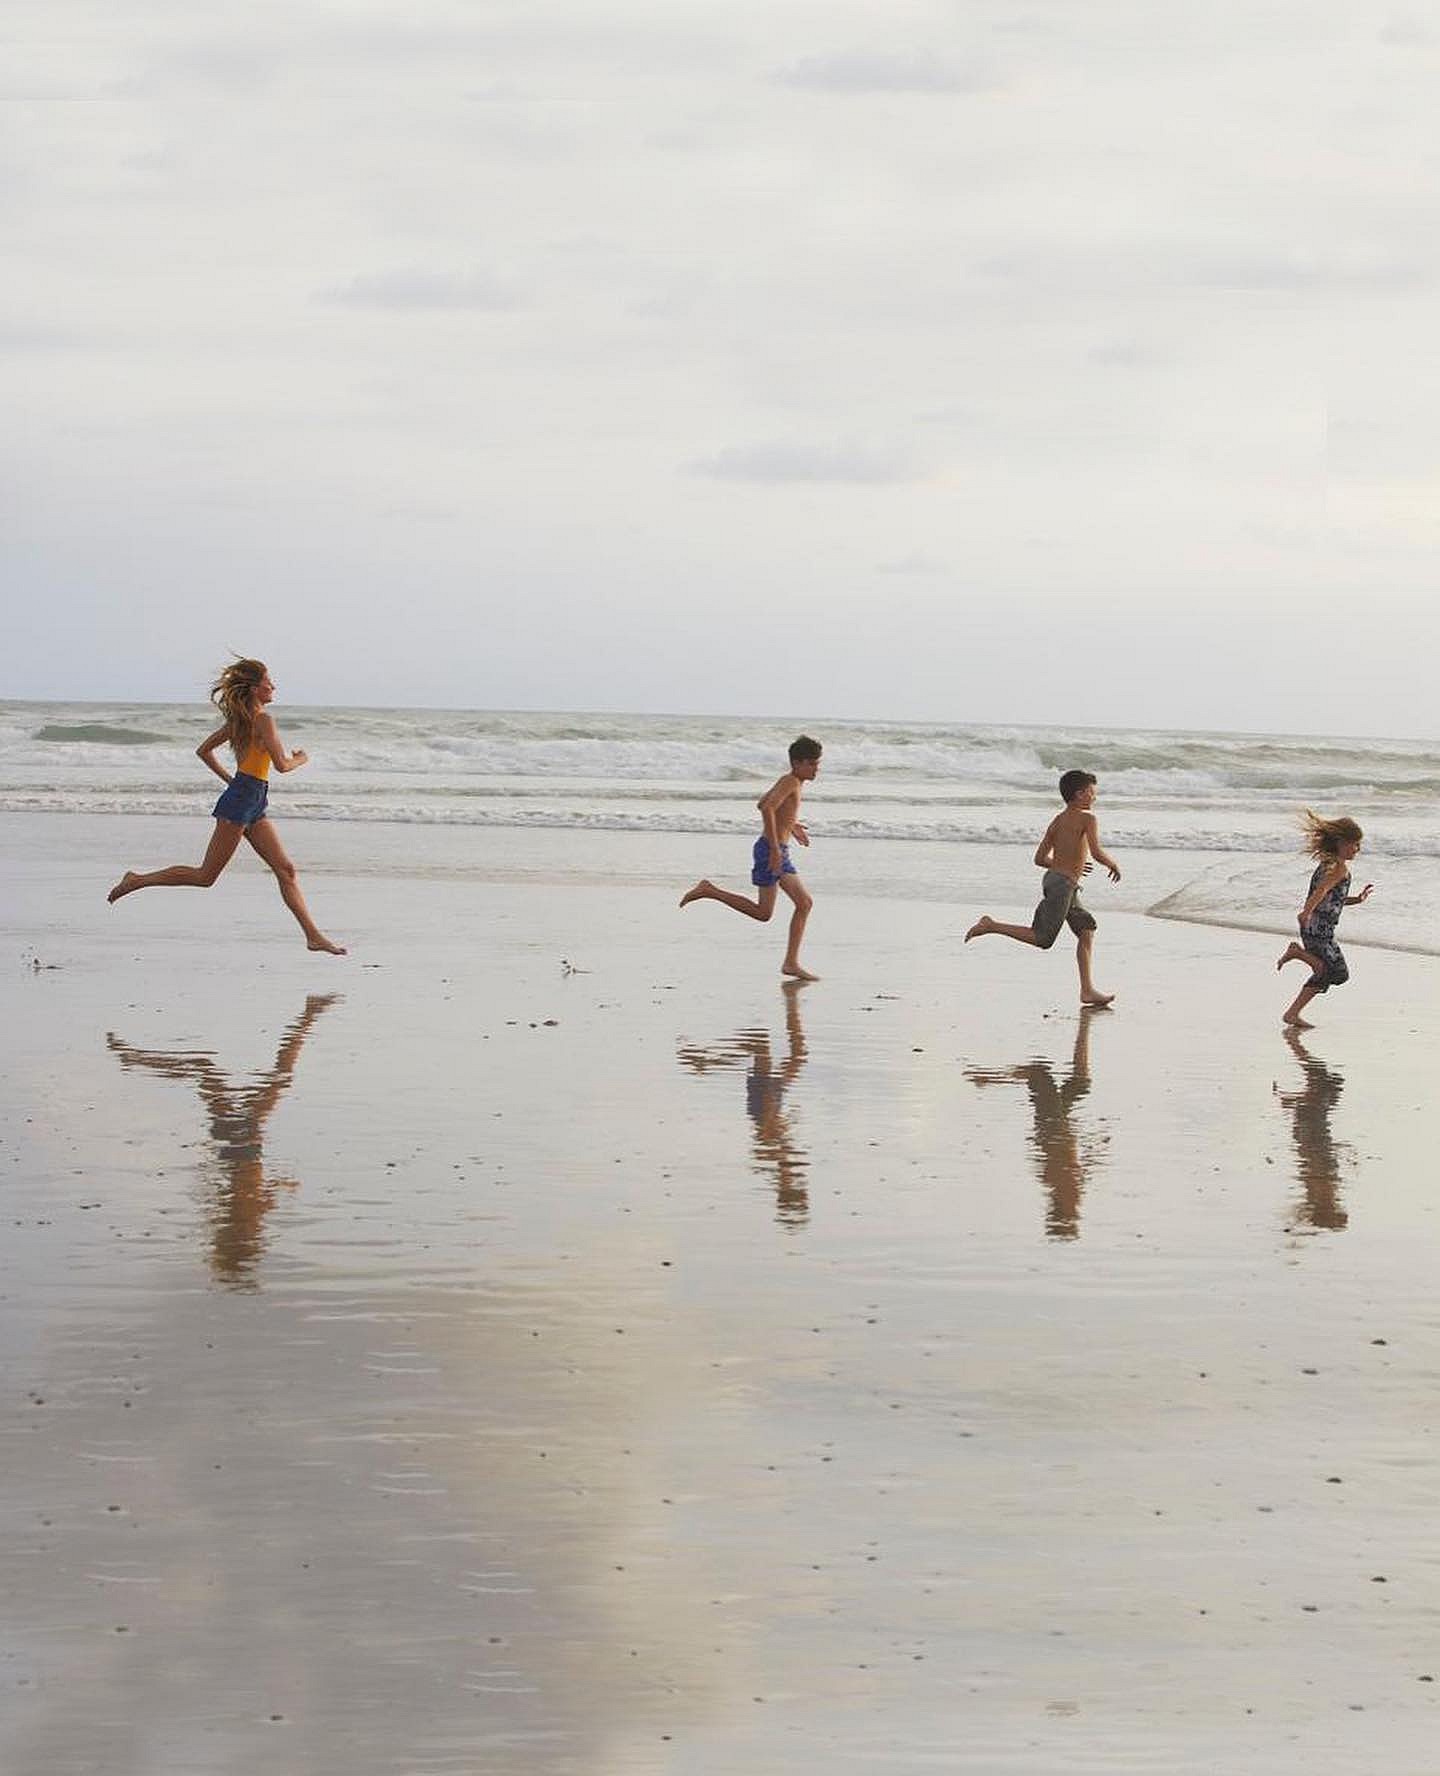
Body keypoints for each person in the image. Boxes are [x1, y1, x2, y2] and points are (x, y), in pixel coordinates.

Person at [106, 657, 346, 954]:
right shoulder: (262, 721)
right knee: (205, 876)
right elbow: (282, 765)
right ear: (255, 688)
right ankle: (137, 880)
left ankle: (313, 936)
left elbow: (204, 751)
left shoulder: (242, 722)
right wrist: (302, 759)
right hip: (242, 801)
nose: (273, 686)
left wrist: (232, 780)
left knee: (286, 870)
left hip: (252, 799)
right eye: (268, 682)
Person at [964, 769, 1119, 1006]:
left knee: (1086, 930)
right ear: (1079, 794)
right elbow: (1096, 852)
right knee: (1042, 938)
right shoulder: (1088, 819)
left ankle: (1087, 990)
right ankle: (991, 925)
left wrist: (1065, 863)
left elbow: (1039, 858)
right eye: (1091, 792)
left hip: (1059, 881)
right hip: (1063, 886)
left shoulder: (1057, 821)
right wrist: (1112, 864)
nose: (1094, 797)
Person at [679, 735, 822, 980]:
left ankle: (790, 962)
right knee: (780, 909)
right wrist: (775, 849)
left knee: (789, 907)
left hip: (777, 849)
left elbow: (762, 803)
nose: (816, 769)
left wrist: (791, 824)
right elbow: (767, 808)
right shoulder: (790, 781)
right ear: (797, 763)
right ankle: (709, 890)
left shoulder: (791, 782)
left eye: (817, 763)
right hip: (771, 850)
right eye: (811, 764)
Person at [1276, 811, 1371, 1027]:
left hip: (1320, 928)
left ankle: (1292, 1013)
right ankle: (1297, 953)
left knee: (1335, 974)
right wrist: (1306, 912)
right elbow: (1321, 890)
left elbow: (1332, 898)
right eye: (1355, 844)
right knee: (1329, 972)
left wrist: (1357, 899)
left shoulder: (1330, 865)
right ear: (1341, 843)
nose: (1358, 849)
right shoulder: (1337, 868)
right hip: (1317, 928)